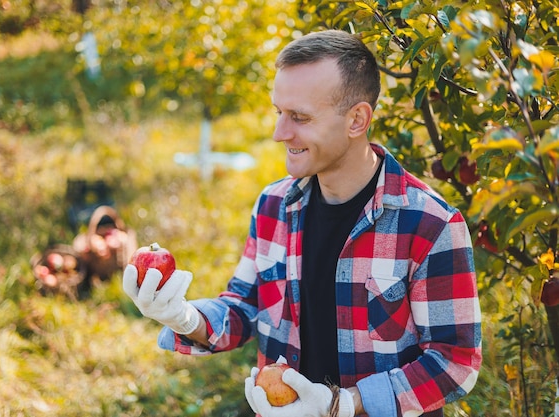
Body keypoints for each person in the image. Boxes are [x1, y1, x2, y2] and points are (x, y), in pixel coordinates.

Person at [123, 29, 482, 417]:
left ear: (357, 120)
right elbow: (243, 308)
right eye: (279, 112)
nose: (280, 133)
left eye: (300, 117)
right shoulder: (273, 205)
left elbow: (454, 362)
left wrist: (342, 406)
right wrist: (184, 317)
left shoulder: (430, 224)